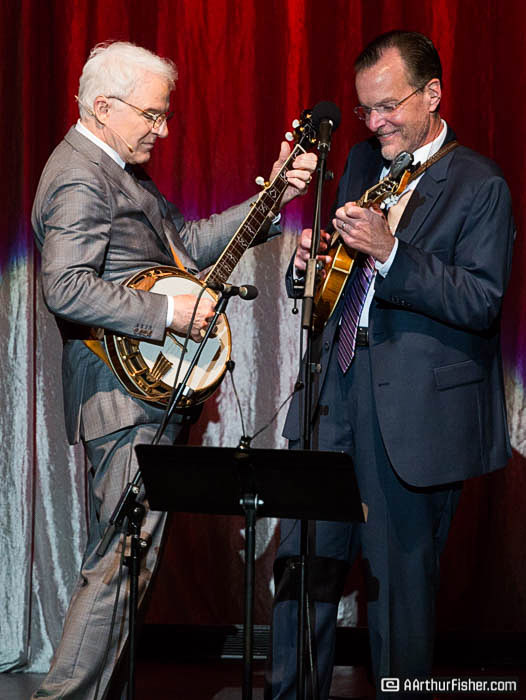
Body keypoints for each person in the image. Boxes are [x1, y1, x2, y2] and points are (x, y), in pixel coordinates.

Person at [31, 41, 316, 700]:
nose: (162, 129)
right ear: (104, 108)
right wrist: (168, 313)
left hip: (145, 391)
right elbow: (65, 287)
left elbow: (184, 248)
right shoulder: (80, 174)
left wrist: (274, 195)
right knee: (119, 564)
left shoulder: (118, 171)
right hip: (121, 394)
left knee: (128, 563)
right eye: (152, 115)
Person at [266, 30, 514, 699]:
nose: (374, 123)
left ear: (432, 94)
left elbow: (482, 300)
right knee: (302, 564)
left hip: (410, 416)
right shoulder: (358, 163)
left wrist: (392, 251)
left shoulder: (481, 184)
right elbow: (342, 283)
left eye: (388, 106)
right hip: (332, 392)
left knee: (399, 595)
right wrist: (311, 270)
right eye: (365, 109)